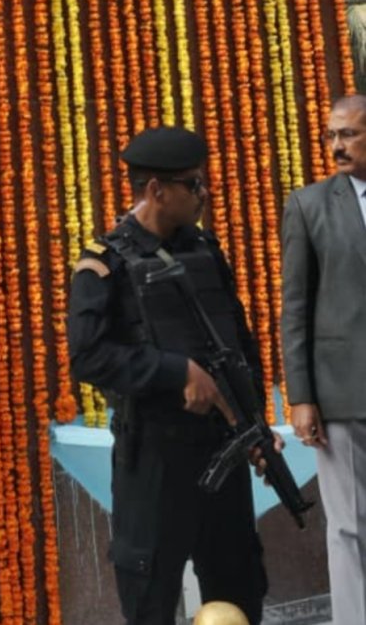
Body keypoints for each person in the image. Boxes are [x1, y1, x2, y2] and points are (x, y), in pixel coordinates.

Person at [68, 126, 268, 625]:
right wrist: (173, 371)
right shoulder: (104, 263)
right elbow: (89, 357)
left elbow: (238, 344)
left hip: (223, 449)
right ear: (157, 190)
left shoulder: (204, 250)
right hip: (156, 458)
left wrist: (255, 424)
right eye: (194, 185)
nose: (204, 195)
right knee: (151, 595)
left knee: (240, 589)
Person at [282, 91, 366, 625]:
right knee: (348, 525)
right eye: (331, 135)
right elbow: (295, 308)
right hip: (338, 393)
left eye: (349, 134)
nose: (337, 145)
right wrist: (302, 397)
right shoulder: (308, 205)